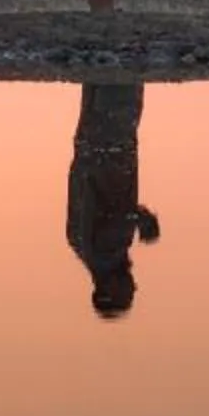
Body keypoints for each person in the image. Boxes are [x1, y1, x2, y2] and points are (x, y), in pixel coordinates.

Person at [65, 79, 161, 316]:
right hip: (92, 140)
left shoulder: (107, 253)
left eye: (128, 293)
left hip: (110, 144)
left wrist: (144, 221)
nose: (134, 286)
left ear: (109, 289)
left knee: (124, 74)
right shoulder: (79, 246)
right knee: (101, 73)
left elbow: (118, 216)